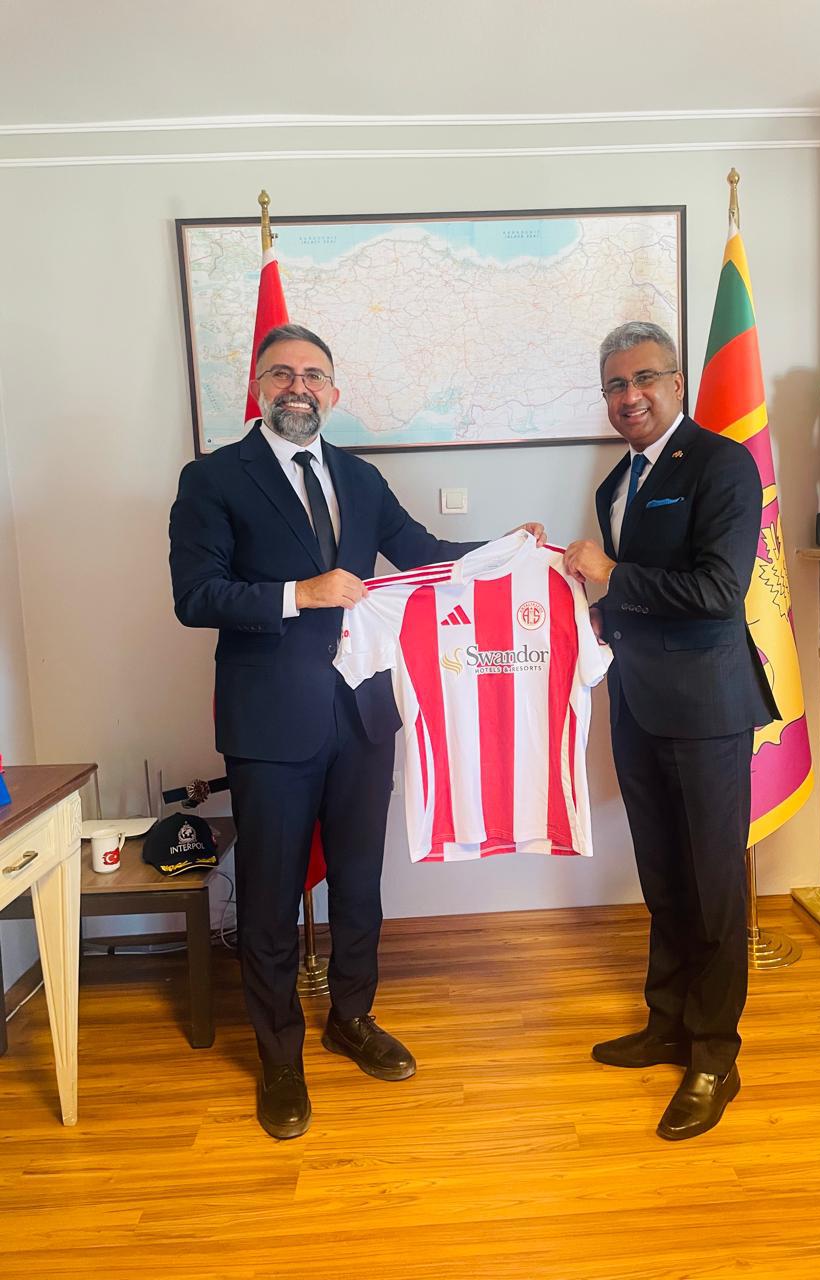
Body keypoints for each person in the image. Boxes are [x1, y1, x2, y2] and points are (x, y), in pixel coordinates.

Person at [170, 323, 542, 1139]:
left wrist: (514, 552)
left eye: (313, 375)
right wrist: (298, 593)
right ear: (258, 389)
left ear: (334, 393)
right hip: (271, 721)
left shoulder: (360, 478)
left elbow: (424, 555)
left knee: (361, 881)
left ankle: (352, 1019)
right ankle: (280, 1057)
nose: (298, 387)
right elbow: (195, 596)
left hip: (365, 713)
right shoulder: (212, 478)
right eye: (282, 374)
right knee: (269, 895)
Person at [564, 321, 779, 1141]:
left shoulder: (722, 464)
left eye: (645, 378)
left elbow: (720, 591)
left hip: (708, 709)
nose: (631, 396)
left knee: (714, 887)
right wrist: (583, 603)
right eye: (616, 385)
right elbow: (632, 600)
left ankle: (716, 1055)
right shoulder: (615, 483)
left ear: (678, 382)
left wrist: (613, 575)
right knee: (662, 879)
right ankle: (668, 1023)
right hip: (637, 705)